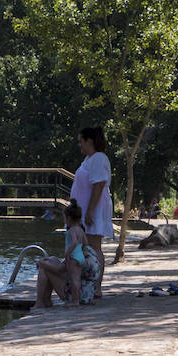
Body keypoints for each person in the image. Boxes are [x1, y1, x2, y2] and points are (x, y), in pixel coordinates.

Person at [69, 127, 113, 298]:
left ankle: (97, 287)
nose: (79, 144)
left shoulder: (98, 158)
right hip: (85, 209)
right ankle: (86, 284)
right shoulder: (88, 159)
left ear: (90, 141)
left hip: (93, 210)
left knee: (95, 247)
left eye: (81, 141)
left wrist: (90, 211)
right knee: (86, 247)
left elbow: (99, 185)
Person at [32, 200, 100, 308]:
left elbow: (59, 270)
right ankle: (46, 301)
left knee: (45, 267)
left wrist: (66, 253)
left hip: (79, 295)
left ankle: (41, 302)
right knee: (52, 260)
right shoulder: (82, 237)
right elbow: (85, 243)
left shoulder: (72, 232)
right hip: (88, 293)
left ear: (68, 218)